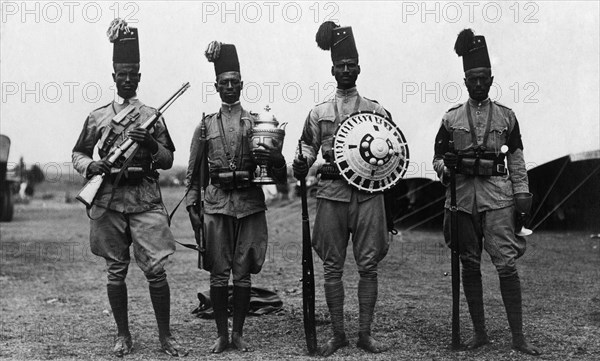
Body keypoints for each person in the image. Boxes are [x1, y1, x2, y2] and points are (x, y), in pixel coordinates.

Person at [72, 19, 186, 358]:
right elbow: (78, 153)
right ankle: (123, 336)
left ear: (138, 77)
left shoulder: (151, 115)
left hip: (145, 199)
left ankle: (166, 337)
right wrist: (91, 166)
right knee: (115, 270)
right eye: (121, 75)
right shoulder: (97, 117)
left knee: (155, 270)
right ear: (114, 77)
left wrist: (150, 143)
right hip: (107, 198)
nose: (126, 80)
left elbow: (167, 159)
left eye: (132, 75)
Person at [433, 29, 541, 356]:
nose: (478, 84)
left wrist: (521, 194)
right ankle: (479, 333)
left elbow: (518, 159)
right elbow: (437, 159)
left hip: (498, 200)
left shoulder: (507, 117)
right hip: (463, 201)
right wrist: (446, 166)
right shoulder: (451, 118)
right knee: (469, 264)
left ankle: (518, 337)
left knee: (506, 265)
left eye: (483, 78)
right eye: (472, 79)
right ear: (464, 81)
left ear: (491, 79)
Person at [293, 21, 391, 357]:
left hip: (368, 195)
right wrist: (302, 161)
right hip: (332, 193)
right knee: (332, 266)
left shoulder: (376, 111)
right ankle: (337, 333)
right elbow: (306, 146)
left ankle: (365, 333)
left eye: (351, 65)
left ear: (358, 68)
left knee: (368, 265)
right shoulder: (319, 112)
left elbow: (391, 153)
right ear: (332, 69)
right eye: (340, 65)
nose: (346, 70)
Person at [185, 41, 287, 354]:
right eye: (223, 83)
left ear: (242, 85)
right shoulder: (205, 127)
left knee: (243, 273)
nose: (229, 87)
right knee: (219, 271)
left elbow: (279, 175)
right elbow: (193, 174)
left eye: (234, 82)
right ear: (216, 86)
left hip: (249, 205)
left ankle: (239, 333)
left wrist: (277, 157)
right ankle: (221, 335)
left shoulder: (258, 124)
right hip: (216, 205)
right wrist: (192, 206)